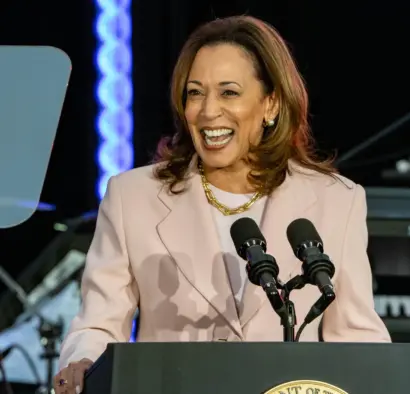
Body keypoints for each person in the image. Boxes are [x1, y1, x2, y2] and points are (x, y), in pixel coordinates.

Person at [54, 14, 390, 394]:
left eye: (229, 92)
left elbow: (358, 337)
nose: (208, 111)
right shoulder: (132, 197)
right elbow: (97, 324)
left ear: (271, 104)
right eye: (195, 92)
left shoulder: (337, 201)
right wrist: (82, 361)